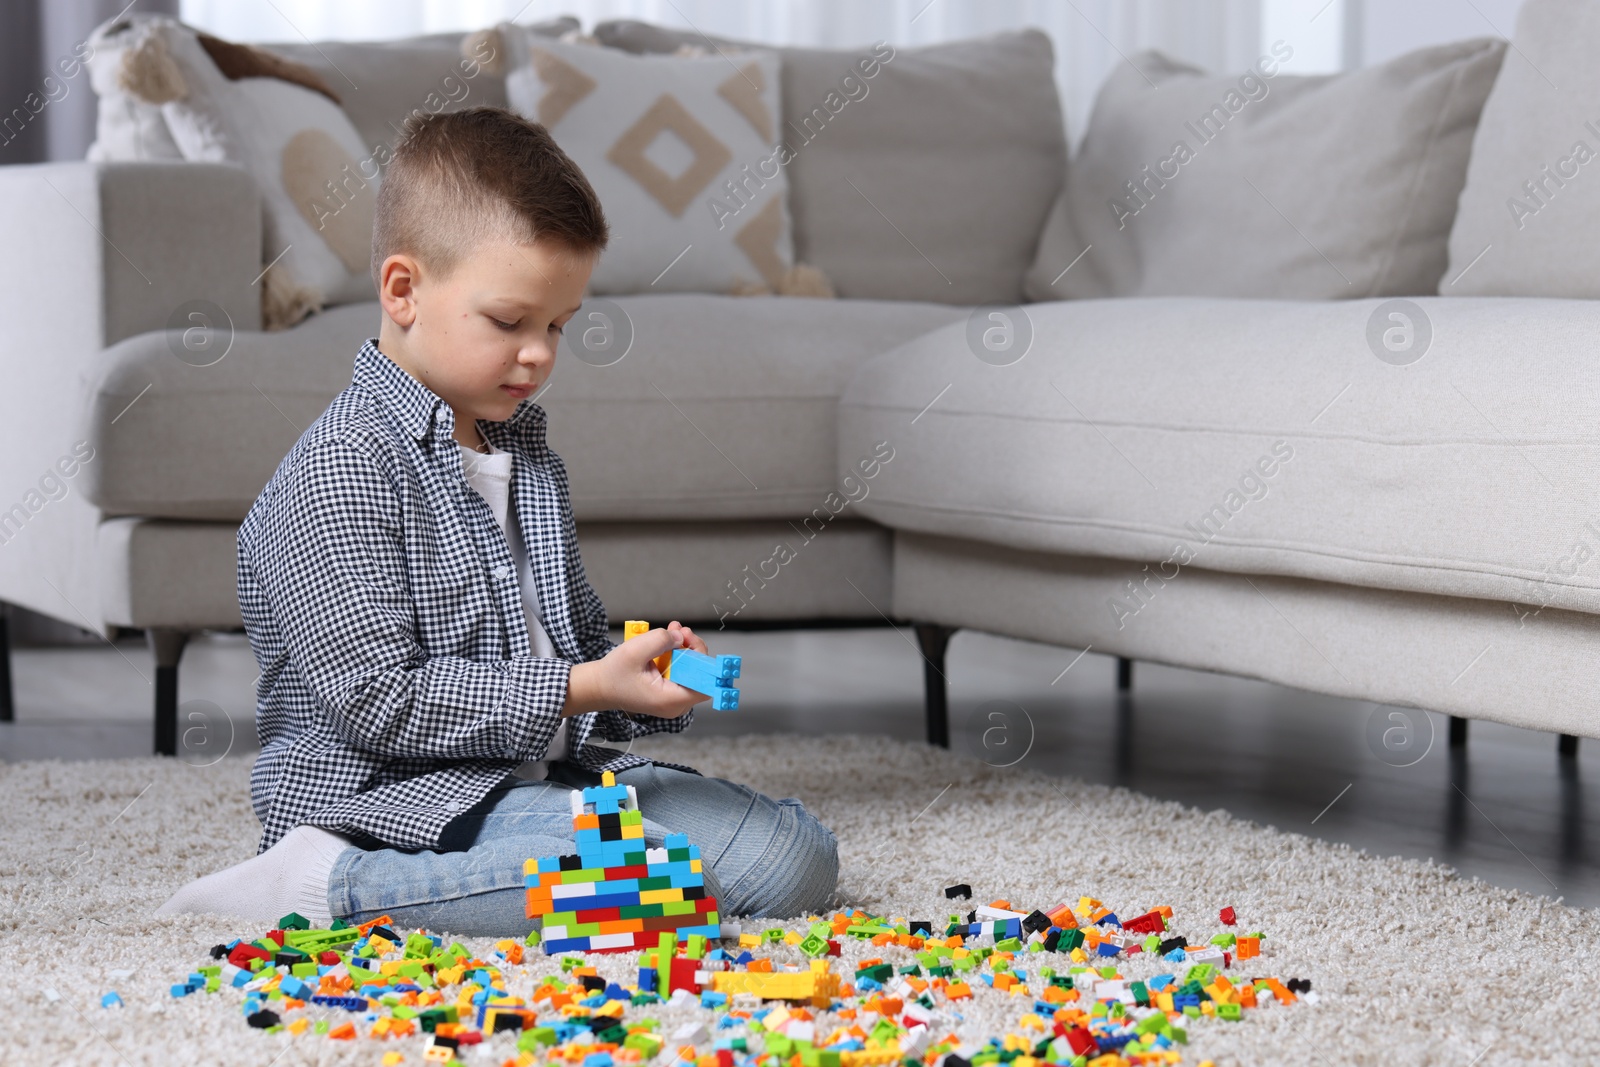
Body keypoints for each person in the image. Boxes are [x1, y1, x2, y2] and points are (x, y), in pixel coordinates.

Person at [156, 107, 838, 935]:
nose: (541, 354)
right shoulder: (341, 470)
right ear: (404, 290)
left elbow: (574, 641)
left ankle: (553, 876)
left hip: (544, 780)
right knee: (651, 886)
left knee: (794, 859)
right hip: (396, 801)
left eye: (558, 325)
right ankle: (319, 882)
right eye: (510, 322)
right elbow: (380, 700)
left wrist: (642, 678)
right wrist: (584, 684)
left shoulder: (526, 458)